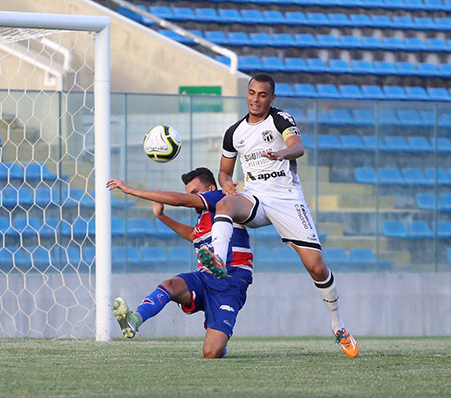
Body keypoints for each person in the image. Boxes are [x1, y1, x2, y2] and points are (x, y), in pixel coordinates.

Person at [201, 72, 358, 358]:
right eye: (251, 93)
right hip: (255, 197)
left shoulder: (280, 119)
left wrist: (283, 154)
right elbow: (224, 171)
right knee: (224, 204)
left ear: (271, 98)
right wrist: (226, 182)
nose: (255, 99)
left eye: (262, 95)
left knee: (317, 267)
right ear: (246, 94)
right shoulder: (234, 132)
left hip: (286, 199)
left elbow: (297, 146)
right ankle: (219, 262)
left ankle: (338, 325)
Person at [106, 167, 252, 358]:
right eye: (189, 194)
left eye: (195, 193)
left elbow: (178, 200)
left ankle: (218, 336)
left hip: (230, 282)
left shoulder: (222, 199)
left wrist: (130, 190)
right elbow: (194, 235)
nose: (191, 198)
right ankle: (135, 320)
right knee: (171, 285)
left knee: (212, 352)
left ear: (210, 188)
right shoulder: (203, 219)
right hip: (203, 279)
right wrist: (161, 216)